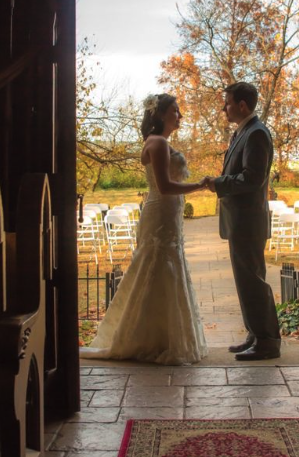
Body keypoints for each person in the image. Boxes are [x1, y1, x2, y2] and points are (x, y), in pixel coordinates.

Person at [80, 93, 208, 365]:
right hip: (161, 210)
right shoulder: (159, 142)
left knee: (164, 264)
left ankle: (157, 334)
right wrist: (201, 185)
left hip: (165, 211)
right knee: (158, 263)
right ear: (160, 114)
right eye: (175, 110)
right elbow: (165, 186)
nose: (179, 116)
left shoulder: (156, 141)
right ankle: (153, 337)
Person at [207, 82, 281, 361]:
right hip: (239, 220)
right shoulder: (243, 132)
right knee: (245, 280)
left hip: (248, 222)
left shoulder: (257, 134)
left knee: (253, 280)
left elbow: (253, 178)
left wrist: (219, 183)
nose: (223, 108)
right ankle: (255, 333)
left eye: (226, 103)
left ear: (241, 105)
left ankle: (268, 342)